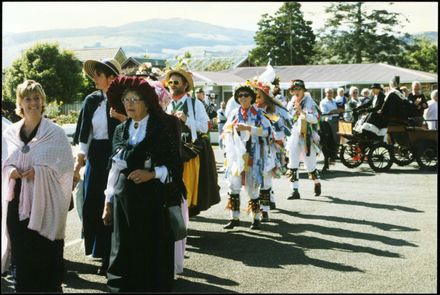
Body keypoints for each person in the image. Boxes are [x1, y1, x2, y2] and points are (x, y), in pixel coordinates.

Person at [102, 76, 183, 292]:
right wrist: (108, 201)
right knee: (123, 248)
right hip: (123, 199)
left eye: (134, 99)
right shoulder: (121, 130)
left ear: (146, 102)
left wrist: (152, 173)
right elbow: (116, 166)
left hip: (152, 199)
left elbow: (174, 167)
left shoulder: (163, 128)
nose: (129, 104)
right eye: (126, 99)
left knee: (150, 249)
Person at [2, 80, 74, 292]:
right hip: (16, 204)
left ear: (43, 102)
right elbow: (3, 163)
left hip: (45, 205)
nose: (32, 103)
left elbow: (65, 169)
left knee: (46, 255)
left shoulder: (56, 133)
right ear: (20, 103)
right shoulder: (9, 134)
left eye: (36, 98)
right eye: (27, 98)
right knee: (22, 257)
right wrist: (10, 171)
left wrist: (39, 172)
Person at [73, 58, 126, 275]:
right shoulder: (91, 100)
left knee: (111, 202)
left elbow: (135, 126)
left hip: (117, 154)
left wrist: (121, 117)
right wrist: (80, 157)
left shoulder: (123, 100)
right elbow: (86, 132)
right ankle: (97, 248)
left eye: (98, 74)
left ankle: (109, 254)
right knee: (92, 201)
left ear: (111, 78)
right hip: (95, 154)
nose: (94, 78)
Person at [165, 69, 220, 217]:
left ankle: (183, 221)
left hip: (189, 152)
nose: (172, 85)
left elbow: (206, 126)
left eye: (176, 82)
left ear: (185, 85)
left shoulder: (195, 104)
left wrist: (186, 120)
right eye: (170, 82)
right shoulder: (168, 104)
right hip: (171, 152)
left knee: (188, 189)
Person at [222, 82, 272, 229]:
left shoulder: (259, 113)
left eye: (246, 95)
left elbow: (268, 131)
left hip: (253, 155)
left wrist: (249, 128)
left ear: (252, 98)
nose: (242, 98)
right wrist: (230, 130)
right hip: (236, 156)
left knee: (252, 187)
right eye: (240, 95)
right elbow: (225, 130)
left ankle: (256, 218)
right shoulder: (233, 113)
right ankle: (234, 218)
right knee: (233, 186)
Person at [254, 81, 292, 221]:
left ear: (266, 96)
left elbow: (282, 130)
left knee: (266, 179)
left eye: (259, 95)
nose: (256, 98)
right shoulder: (251, 109)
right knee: (256, 180)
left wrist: (273, 138)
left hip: (269, 149)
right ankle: (264, 203)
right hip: (253, 149)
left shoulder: (273, 111)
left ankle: (265, 209)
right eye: (255, 95)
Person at [285, 79, 321, 199]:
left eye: (298, 89)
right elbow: (287, 117)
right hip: (293, 135)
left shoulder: (310, 102)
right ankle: (294, 190)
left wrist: (302, 112)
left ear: (303, 90)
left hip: (307, 136)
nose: (296, 91)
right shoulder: (291, 102)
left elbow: (315, 118)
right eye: (294, 89)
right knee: (293, 163)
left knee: (310, 165)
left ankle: (317, 183)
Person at [319, 88, 341, 171]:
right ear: (325, 93)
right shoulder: (323, 102)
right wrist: (333, 111)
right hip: (329, 120)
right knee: (332, 139)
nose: (330, 94)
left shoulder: (335, 101)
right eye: (328, 93)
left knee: (338, 137)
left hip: (336, 119)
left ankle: (334, 154)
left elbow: (339, 110)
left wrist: (338, 111)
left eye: (331, 93)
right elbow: (324, 112)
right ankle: (332, 155)